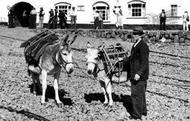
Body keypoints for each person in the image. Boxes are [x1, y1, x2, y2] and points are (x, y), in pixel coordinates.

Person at [121, 26, 149, 120]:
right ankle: (143, 112)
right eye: (134, 34)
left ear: (140, 35)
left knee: (136, 95)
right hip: (134, 73)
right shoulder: (135, 44)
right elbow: (132, 58)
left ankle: (136, 115)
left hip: (139, 75)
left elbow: (145, 62)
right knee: (141, 94)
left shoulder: (143, 46)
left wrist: (139, 73)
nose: (134, 36)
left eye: (136, 34)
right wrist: (123, 60)